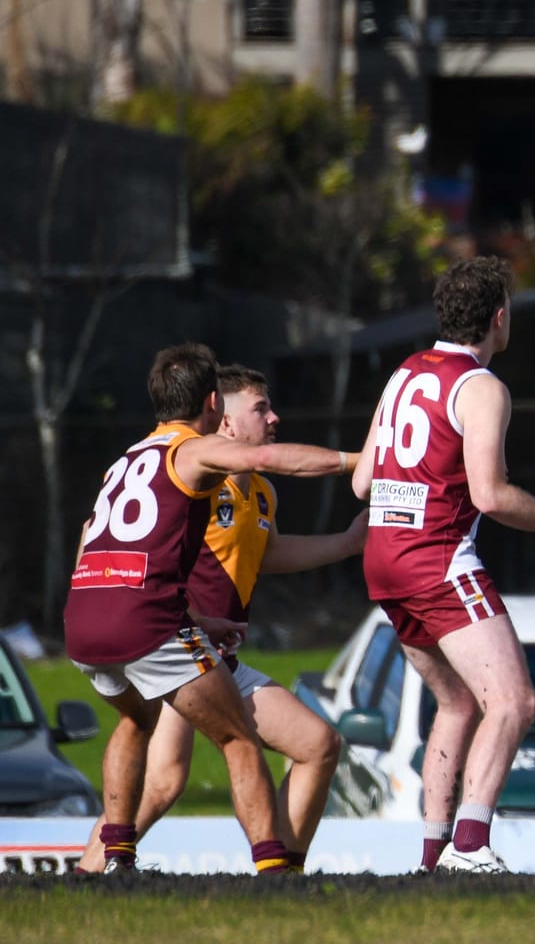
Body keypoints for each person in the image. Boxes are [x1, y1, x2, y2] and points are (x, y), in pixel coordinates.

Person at [352, 257, 535, 873]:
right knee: (515, 702)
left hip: (384, 561)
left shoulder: (404, 374)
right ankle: (470, 847)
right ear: (499, 318)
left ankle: (434, 854)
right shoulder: (481, 386)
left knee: (459, 703)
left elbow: (363, 480)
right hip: (435, 561)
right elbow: (491, 496)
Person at [64, 344, 355, 874]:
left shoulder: (254, 492)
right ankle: (95, 867)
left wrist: (347, 543)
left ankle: (281, 871)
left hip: (178, 638)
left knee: (316, 742)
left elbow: (264, 553)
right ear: (219, 411)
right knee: (174, 772)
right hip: (166, 640)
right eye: (260, 408)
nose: (273, 418)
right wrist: (359, 462)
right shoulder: (197, 464)